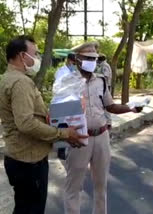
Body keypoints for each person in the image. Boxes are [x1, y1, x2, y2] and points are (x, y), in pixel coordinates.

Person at [0, 35, 87, 214]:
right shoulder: (20, 83)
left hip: (18, 156)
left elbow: (26, 117)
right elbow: (26, 123)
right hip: (29, 161)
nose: (38, 57)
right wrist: (64, 133)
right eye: (35, 53)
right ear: (22, 56)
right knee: (32, 209)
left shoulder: (6, 78)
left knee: (24, 207)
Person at [64, 42, 142, 214]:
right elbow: (58, 113)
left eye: (95, 58)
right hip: (78, 139)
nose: (93, 61)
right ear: (78, 59)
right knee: (73, 187)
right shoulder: (66, 82)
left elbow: (110, 106)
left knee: (101, 186)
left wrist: (131, 107)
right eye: (88, 58)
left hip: (101, 137)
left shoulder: (101, 81)